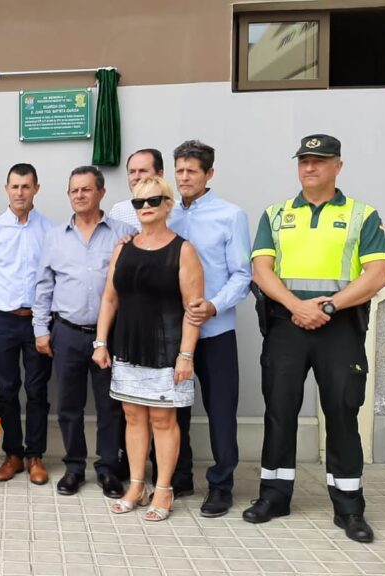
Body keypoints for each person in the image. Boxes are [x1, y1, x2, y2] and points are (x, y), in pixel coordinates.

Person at [243, 134, 385, 543]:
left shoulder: (362, 215)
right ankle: (273, 496)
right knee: (279, 411)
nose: (310, 168)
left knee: (343, 411)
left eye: (320, 161)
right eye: (304, 161)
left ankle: (349, 508)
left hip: (338, 327)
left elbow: (378, 274)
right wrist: (297, 306)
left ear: (338, 166)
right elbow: (262, 270)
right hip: (286, 326)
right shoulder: (276, 214)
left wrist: (326, 307)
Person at [92, 176, 203, 522]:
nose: (146, 207)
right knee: (133, 417)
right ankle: (137, 485)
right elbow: (110, 298)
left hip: (167, 350)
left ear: (168, 205)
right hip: (128, 345)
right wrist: (100, 342)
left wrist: (186, 354)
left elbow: (193, 307)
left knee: (163, 419)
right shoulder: (122, 247)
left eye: (153, 200)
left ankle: (165, 488)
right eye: (139, 202)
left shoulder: (183, 250)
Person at [162, 140, 251, 517]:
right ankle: (180, 477)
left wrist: (213, 305)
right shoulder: (165, 214)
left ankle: (221, 485)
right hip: (174, 333)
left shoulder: (230, 215)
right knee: (174, 410)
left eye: (192, 171)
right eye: (179, 170)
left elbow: (242, 275)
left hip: (214, 331)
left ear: (209, 174)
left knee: (220, 410)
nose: (184, 177)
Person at [33, 166, 133, 498]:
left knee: (110, 406)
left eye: (86, 189)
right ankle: (74, 467)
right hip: (67, 333)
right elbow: (44, 287)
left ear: (101, 193)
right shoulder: (55, 237)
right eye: (74, 190)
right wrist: (41, 330)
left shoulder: (123, 234)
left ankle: (107, 469)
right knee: (69, 405)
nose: (79, 195)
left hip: (109, 334)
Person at [0, 163, 55, 485]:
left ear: (36, 188)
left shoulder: (50, 231)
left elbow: (53, 277)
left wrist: (43, 322)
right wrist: (3, 304)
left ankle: (35, 455)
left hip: (38, 322)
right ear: (6, 189)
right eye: (15, 186)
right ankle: (13, 455)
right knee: (7, 390)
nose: (20, 192)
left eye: (26, 186)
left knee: (37, 390)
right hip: (4, 323)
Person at [108, 149, 164, 231]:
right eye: (132, 172)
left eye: (143, 171)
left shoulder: (174, 209)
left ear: (160, 174)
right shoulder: (118, 211)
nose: (136, 177)